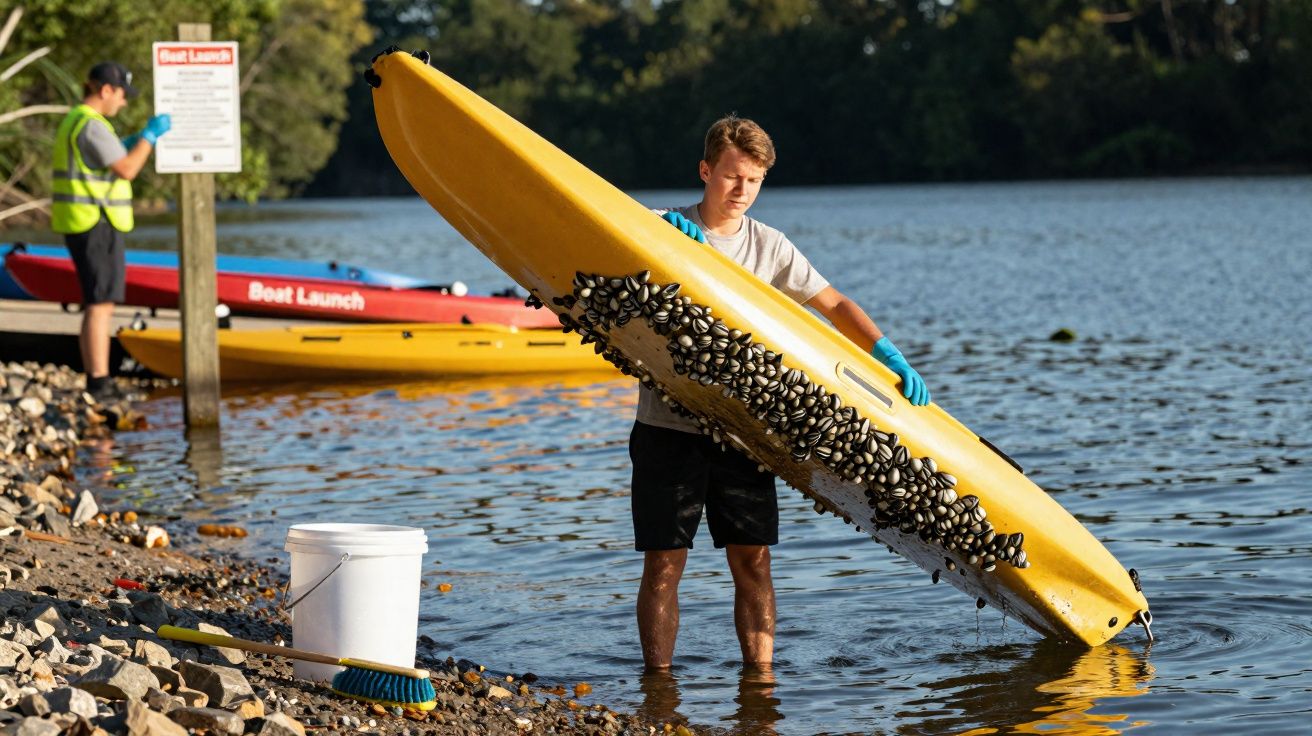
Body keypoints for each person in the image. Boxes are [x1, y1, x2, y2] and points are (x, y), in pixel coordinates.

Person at [633, 115, 931, 671]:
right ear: (706, 171)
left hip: (743, 434)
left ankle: (762, 686)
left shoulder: (770, 247)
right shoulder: (661, 225)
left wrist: (887, 353)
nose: (742, 190)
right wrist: (663, 232)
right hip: (667, 430)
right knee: (664, 566)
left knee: (754, 563)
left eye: (755, 180)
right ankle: (658, 685)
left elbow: (835, 304)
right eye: (732, 177)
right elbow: (615, 224)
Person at [50, 61, 170, 402]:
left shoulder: (78, 120)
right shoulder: (92, 126)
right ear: (105, 90)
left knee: (98, 301)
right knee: (100, 304)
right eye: (121, 94)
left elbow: (108, 159)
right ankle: (99, 382)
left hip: (85, 222)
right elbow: (128, 168)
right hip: (96, 222)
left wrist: (130, 141)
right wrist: (149, 137)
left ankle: (98, 379)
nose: (124, 102)